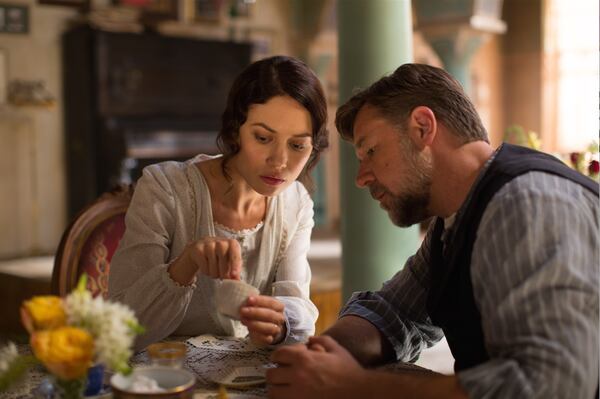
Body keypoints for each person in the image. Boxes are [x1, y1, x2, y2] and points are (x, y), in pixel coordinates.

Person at [266, 63, 599, 399]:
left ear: (422, 127)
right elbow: (395, 312)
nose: (361, 177)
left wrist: (355, 385)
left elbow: (552, 386)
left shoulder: (526, 203)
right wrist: (318, 357)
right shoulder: (454, 219)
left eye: (370, 150)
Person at [108, 55, 329, 351]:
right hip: (163, 374)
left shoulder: (296, 204)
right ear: (236, 129)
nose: (279, 162)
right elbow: (122, 328)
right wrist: (186, 264)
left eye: (297, 145)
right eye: (263, 138)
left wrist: (279, 326)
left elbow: (297, 307)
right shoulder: (165, 189)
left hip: (240, 379)